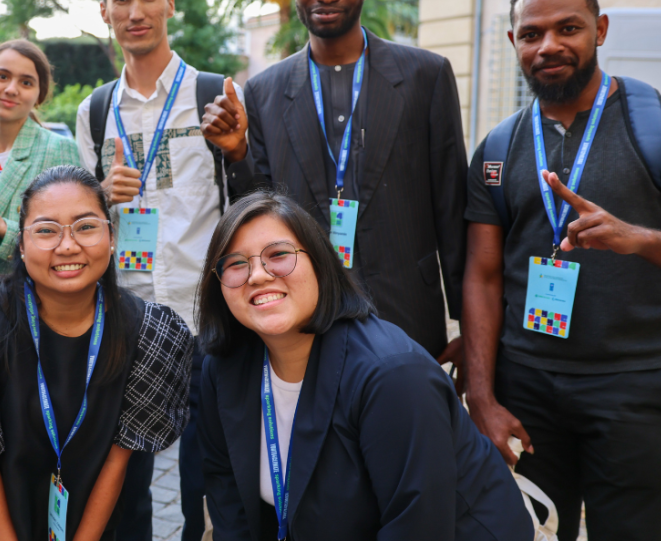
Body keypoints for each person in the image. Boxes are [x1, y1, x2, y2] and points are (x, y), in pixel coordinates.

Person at [203, 0, 468, 375]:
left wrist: (471, 331)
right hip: (307, 316)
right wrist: (236, 152)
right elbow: (262, 207)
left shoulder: (426, 75)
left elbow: (453, 207)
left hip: (407, 312)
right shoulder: (265, 90)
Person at [198, 189, 531, 540]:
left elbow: (416, 527)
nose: (258, 275)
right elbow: (227, 493)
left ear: (320, 262)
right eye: (236, 264)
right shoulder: (223, 370)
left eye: (278, 255)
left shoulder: (394, 377)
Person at [463, 0, 661, 541]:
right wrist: (481, 396)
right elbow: (482, 276)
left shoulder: (651, 126)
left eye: (567, 29)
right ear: (514, 42)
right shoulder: (498, 148)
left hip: (633, 388)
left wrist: (640, 239)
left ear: (599, 29)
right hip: (528, 389)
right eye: (531, 34)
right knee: (533, 531)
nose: (549, 46)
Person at [0, 165, 192, 541]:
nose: (67, 245)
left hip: (93, 518)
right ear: (22, 243)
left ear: (111, 236)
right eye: (46, 230)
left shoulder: (149, 332)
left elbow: (117, 458)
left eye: (86, 226)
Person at [75, 0, 245, 541]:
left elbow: (249, 198)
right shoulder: (94, 111)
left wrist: (240, 152)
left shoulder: (212, 93)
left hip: (208, 321)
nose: (136, 10)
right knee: (135, 471)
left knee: (211, 471)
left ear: (170, 4)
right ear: (104, 12)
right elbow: (80, 222)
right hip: (128, 321)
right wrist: (101, 195)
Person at [0, 39, 81, 277]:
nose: (11, 89)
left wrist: (2, 226)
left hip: (27, 300)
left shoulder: (59, 149)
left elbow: (70, 237)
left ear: (39, 94)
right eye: (2, 76)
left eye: (26, 82)